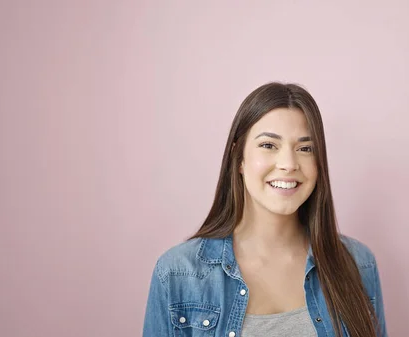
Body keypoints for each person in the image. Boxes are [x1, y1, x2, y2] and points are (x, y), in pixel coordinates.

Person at [142, 82, 388, 337]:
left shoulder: (358, 264)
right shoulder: (178, 273)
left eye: (305, 148)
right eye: (269, 145)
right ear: (239, 157)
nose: (289, 164)